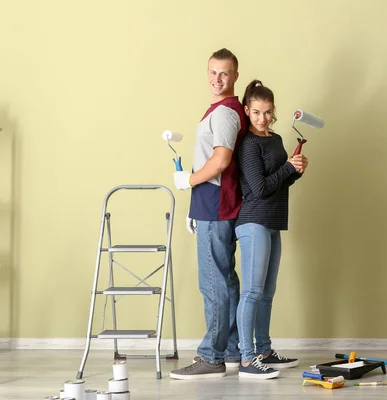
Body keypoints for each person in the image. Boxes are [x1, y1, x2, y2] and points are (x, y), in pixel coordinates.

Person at [169, 48, 248, 379]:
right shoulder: (218, 110)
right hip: (209, 204)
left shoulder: (226, 113)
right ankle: (230, 349)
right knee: (225, 280)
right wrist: (193, 203)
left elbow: (220, 161)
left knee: (213, 282)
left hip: (216, 205)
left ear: (235, 77)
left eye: (224, 73)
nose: (218, 79)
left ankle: (211, 357)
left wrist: (187, 180)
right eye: (213, 72)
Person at [234, 79, 307, 379]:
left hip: (273, 220)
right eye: (257, 112)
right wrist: (289, 168)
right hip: (253, 221)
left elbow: (280, 180)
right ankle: (247, 360)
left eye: (268, 112)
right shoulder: (248, 145)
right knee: (251, 292)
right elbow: (260, 188)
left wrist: (296, 170)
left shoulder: (274, 140)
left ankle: (264, 351)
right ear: (248, 111)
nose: (263, 118)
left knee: (267, 293)